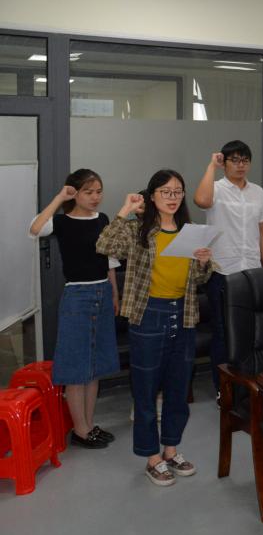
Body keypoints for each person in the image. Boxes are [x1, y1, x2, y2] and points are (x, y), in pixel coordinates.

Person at [96, 169, 214, 487]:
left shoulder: (190, 232)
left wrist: (204, 262)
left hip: (183, 314)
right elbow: (104, 244)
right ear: (152, 196)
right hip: (148, 314)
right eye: (165, 192)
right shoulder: (138, 231)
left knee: (178, 388)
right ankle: (151, 457)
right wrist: (125, 209)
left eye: (178, 192)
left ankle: (171, 450)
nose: (172, 198)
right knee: (146, 390)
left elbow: (199, 279)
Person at [28, 169, 120, 449]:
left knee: (94, 366)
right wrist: (59, 198)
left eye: (98, 191)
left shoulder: (102, 219)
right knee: (77, 365)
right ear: (75, 193)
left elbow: (109, 259)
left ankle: (89, 425)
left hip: (103, 292)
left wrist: (114, 292)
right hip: (78, 295)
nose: (95, 197)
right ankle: (80, 430)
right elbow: (35, 229)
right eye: (88, 192)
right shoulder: (62, 222)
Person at [193, 140, 263, 396]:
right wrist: (211, 166)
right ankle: (224, 390)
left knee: (250, 331)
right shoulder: (215, 188)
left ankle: (249, 384)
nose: (240, 165)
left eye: (245, 160)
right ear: (224, 163)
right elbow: (201, 200)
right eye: (234, 160)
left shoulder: (258, 192)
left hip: (251, 272)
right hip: (222, 271)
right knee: (222, 332)